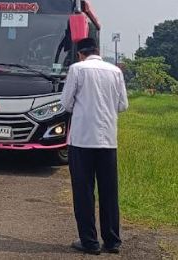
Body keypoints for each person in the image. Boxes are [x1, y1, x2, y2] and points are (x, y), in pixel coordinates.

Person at [61, 37, 128, 255]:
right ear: (97, 51)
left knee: (84, 191)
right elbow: (123, 105)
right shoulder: (115, 72)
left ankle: (89, 242)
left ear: (80, 53)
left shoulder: (77, 69)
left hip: (81, 139)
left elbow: (66, 103)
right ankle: (112, 241)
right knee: (109, 191)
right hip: (108, 139)